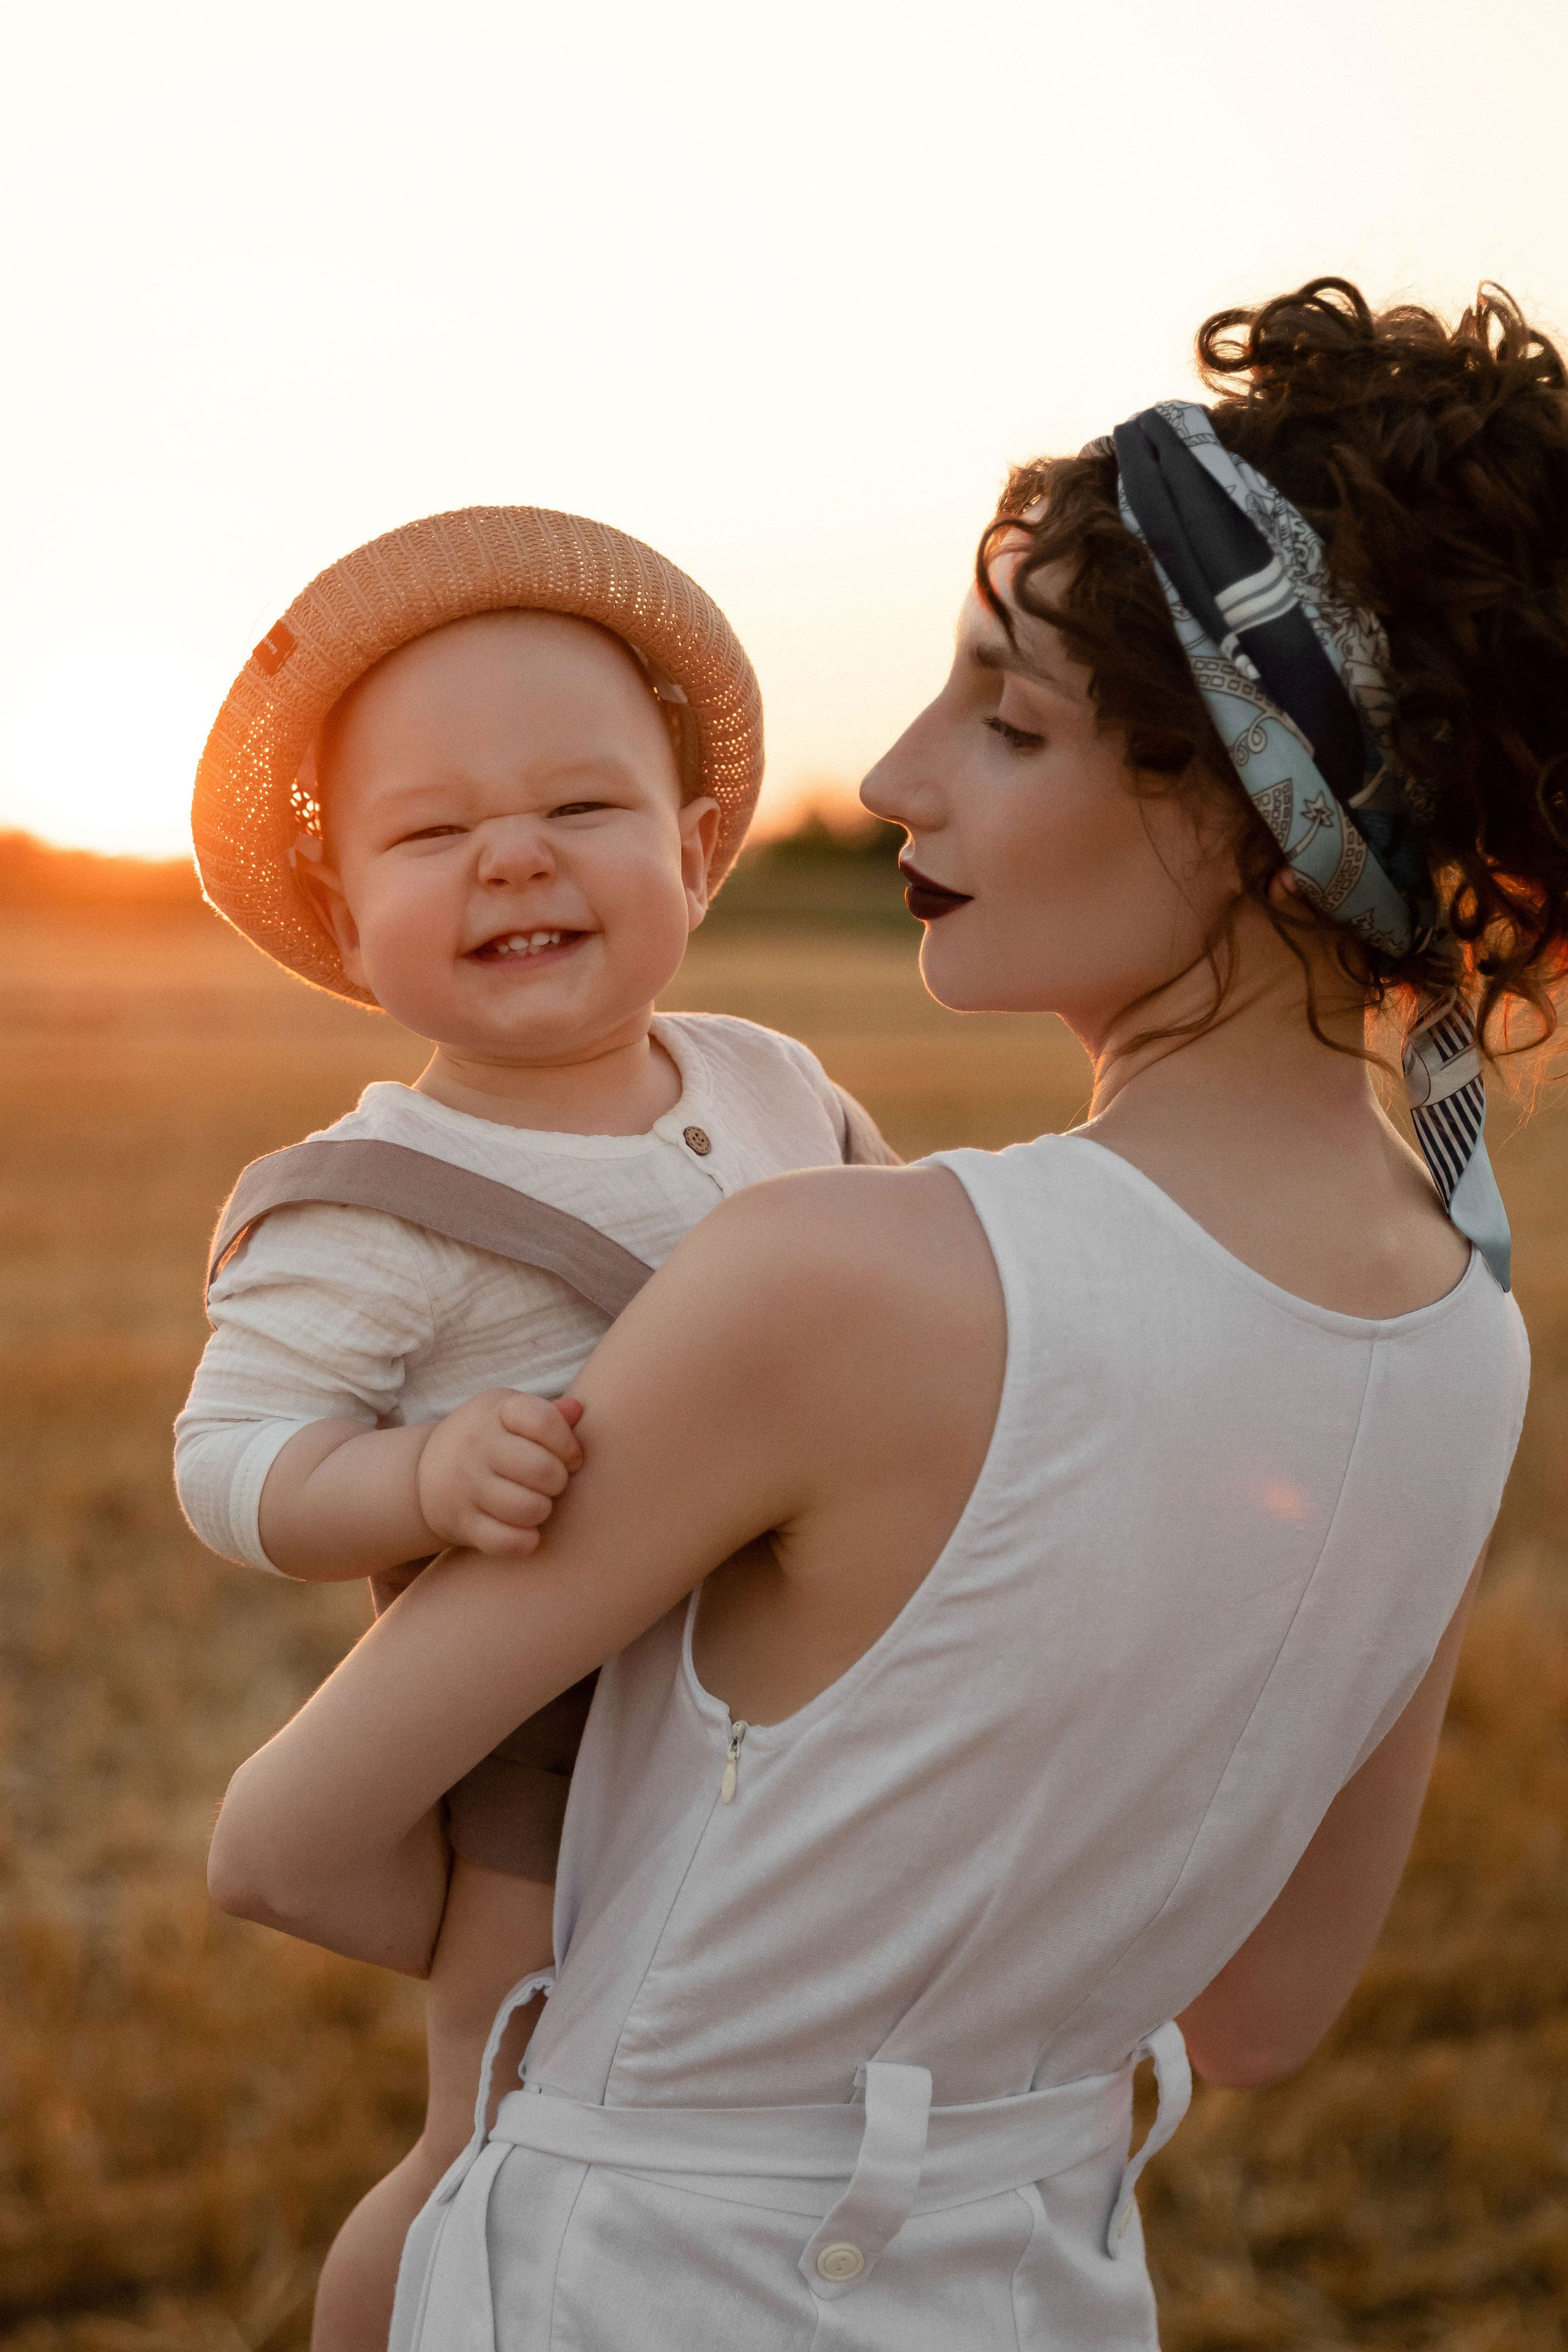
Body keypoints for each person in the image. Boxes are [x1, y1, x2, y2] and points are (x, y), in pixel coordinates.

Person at [208, 281, 1567, 2350]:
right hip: (1038, 2285)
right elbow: (1264, 2015)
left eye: (1006, 721)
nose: (896, 774)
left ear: (1251, 810)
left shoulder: (835, 1281)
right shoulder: (1476, 1330)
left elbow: (283, 1842)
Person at [176, 507, 895, 2350]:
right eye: (432, 834)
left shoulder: (773, 1078)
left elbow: (911, 1277)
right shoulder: (372, 1201)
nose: (514, 856)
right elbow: (230, 1462)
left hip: (821, 1699)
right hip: (547, 1758)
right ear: (347, 913)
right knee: (499, 2136)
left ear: (698, 849)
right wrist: (413, 1476)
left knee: (776, 2126)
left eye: (582, 806)